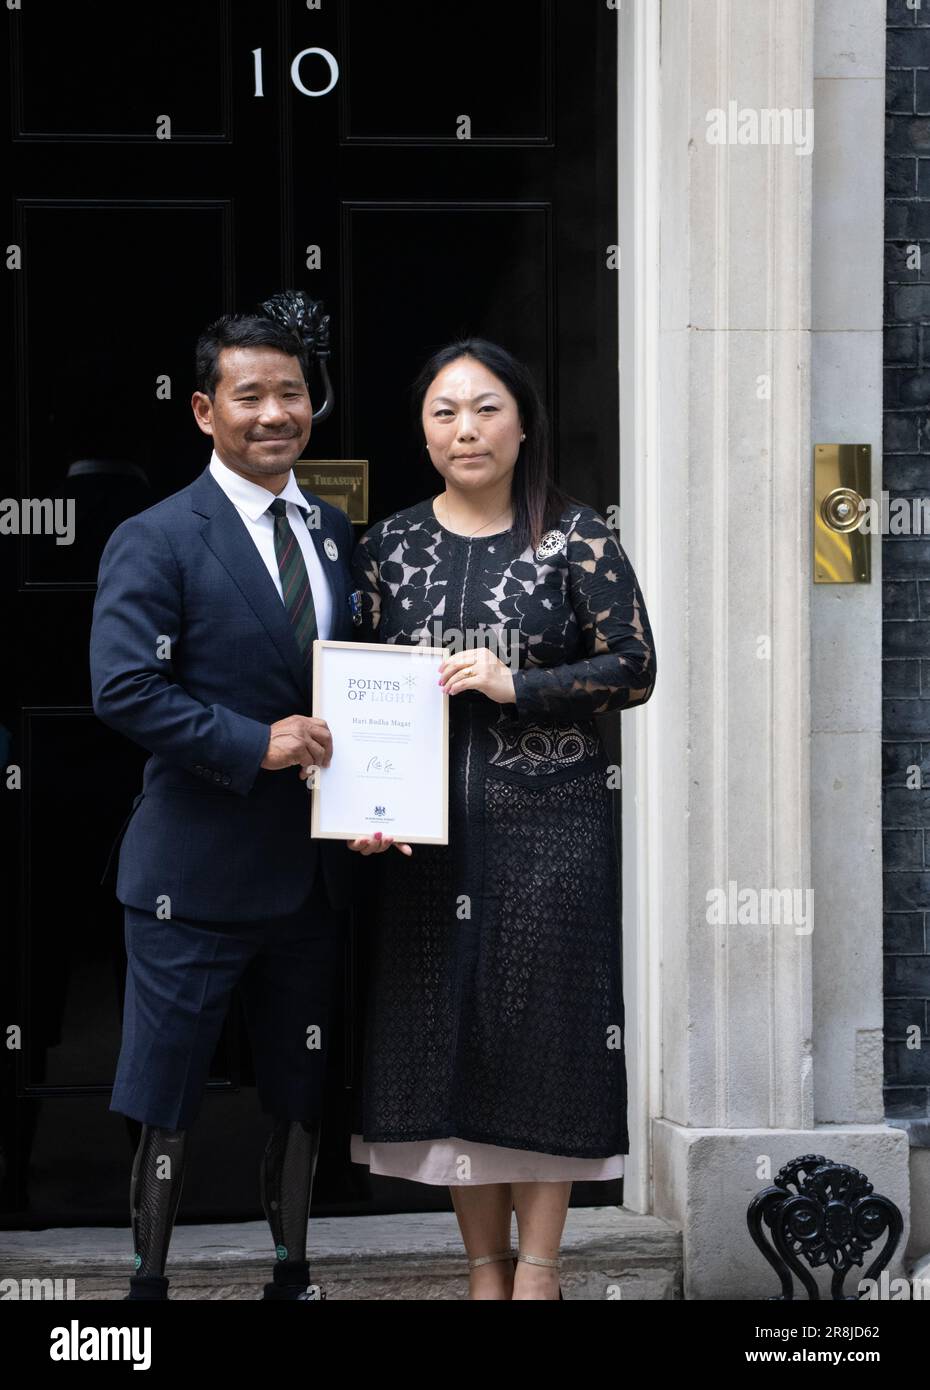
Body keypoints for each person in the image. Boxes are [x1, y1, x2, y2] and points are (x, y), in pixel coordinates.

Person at [347, 338, 657, 1301]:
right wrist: (360, 802)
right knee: (450, 1038)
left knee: (543, 1036)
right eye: (445, 412)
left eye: (486, 409)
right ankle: (482, 1271)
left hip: (552, 826)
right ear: (424, 432)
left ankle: (539, 1272)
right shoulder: (387, 545)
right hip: (423, 837)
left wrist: (515, 681)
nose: (466, 429)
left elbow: (633, 667)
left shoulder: (576, 538)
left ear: (522, 424)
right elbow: (354, 686)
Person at [89, 294, 357, 1300]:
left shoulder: (331, 531)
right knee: (168, 1093)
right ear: (206, 410)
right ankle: (146, 1289)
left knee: (299, 1084)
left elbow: (346, 685)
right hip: (190, 877)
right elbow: (123, 687)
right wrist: (258, 743)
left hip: (313, 878)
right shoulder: (157, 536)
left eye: (291, 392)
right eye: (251, 395)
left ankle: (293, 1274)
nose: (275, 412)